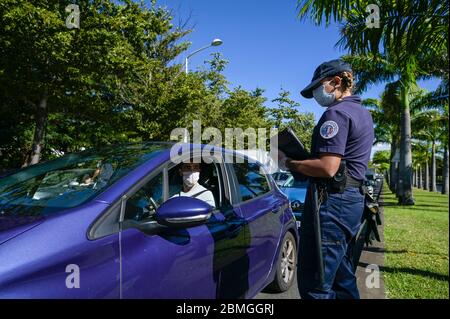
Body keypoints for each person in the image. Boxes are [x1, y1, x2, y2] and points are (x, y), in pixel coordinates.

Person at [283, 59, 374, 299]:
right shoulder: (362, 113)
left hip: (333, 203)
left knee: (317, 282)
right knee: (341, 276)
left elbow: (328, 167)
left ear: (336, 82)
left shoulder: (336, 114)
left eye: (318, 88)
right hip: (349, 201)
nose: (316, 95)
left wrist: (289, 163)